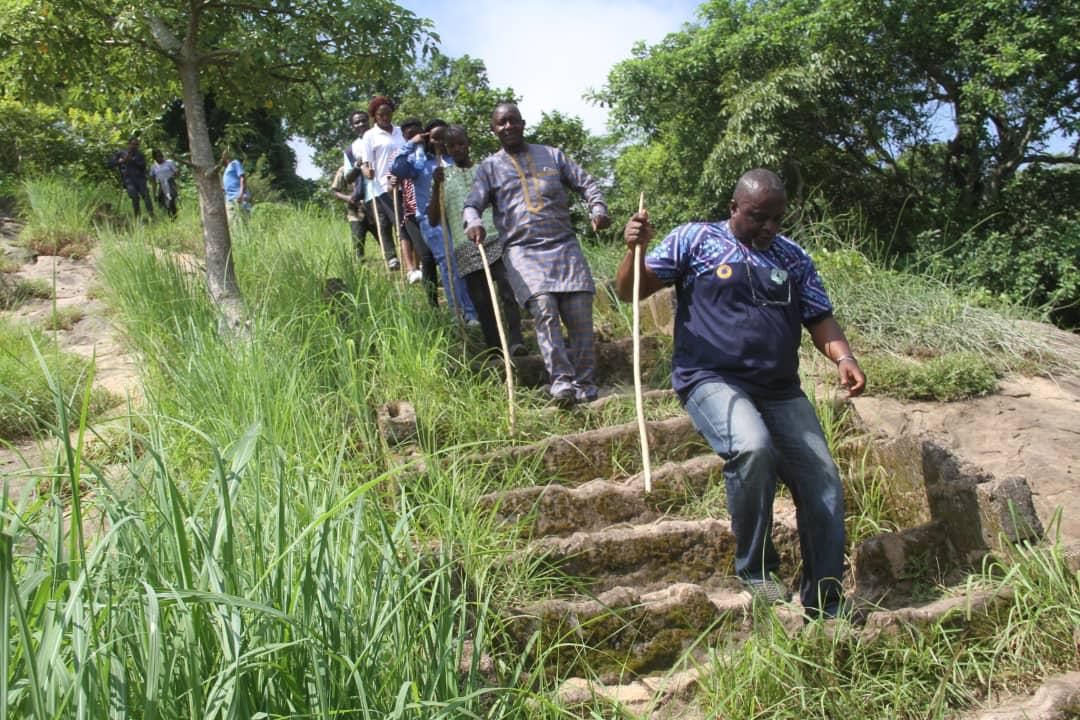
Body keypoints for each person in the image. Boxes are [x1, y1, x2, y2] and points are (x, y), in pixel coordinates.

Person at [615, 168, 867, 620]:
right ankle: (757, 571)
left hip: (779, 389)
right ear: (734, 209)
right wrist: (635, 249)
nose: (768, 227)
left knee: (823, 480)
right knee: (752, 448)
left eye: (776, 219)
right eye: (757, 217)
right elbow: (631, 289)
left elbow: (819, 316)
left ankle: (826, 601)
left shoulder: (793, 257)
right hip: (710, 378)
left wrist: (843, 357)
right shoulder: (694, 240)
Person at [465, 103, 611, 406]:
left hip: (564, 246)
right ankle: (561, 381)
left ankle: (585, 383)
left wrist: (598, 208)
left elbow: (587, 182)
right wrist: (475, 222)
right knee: (544, 308)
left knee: (580, 312)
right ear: (494, 130)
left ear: (523, 124)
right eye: (501, 123)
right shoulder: (490, 167)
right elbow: (471, 205)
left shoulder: (552, 155)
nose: (508, 127)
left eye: (512, 121)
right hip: (523, 251)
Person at [430, 125, 526, 355]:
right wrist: (435, 186)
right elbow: (434, 219)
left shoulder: (485, 170)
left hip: (495, 238)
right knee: (482, 302)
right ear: (446, 149)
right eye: (452, 146)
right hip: (466, 247)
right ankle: (494, 348)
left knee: (507, 290)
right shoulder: (443, 177)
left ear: (468, 142)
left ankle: (516, 341)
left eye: (461, 143)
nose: (458, 149)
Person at [391, 119, 478, 320]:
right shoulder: (418, 162)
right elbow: (397, 168)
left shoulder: (454, 158)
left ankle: (474, 309)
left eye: (443, 137)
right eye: (434, 138)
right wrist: (412, 143)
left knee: (467, 262)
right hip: (433, 222)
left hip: (459, 217)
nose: (439, 142)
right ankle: (461, 313)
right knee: (449, 265)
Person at [357, 95, 406, 270]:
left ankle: (410, 260)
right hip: (380, 187)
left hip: (402, 183)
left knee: (402, 222)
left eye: (388, 113)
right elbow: (365, 163)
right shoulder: (370, 136)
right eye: (380, 115)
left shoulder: (400, 132)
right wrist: (366, 170)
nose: (385, 117)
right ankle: (392, 257)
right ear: (374, 116)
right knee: (384, 223)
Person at [397, 117, 438, 292]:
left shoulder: (432, 152)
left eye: (417, 132)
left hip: (434, 209)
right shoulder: (403, 154)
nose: (416, 137)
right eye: (410, 135)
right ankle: (432, 301)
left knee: (437, 255)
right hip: (412, 211)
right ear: (405, 137)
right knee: (425, 255)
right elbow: (397, 169)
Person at [339, 110, 378, 259]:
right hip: (361, 204)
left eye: (363, 120)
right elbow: (348, 178)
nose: (361, 124)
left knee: (387, 239)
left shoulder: (380, 139)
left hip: (381, 197)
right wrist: (358, 166)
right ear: (352, 126)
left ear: (369, 121)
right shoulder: (351, 150)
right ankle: (359, 276)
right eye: (357, 122)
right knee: (358, 245)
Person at [117, 137, 154, 219]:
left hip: (140, 179)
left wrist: (132, 161)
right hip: (129, 180)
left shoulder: (140, 155)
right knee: (134, 197)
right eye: (133, 144)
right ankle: (137, 217)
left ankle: (151, 215)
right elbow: (112, 163)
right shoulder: (122, 154)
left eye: (136, 144)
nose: (134, 146)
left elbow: (143, 166)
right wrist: (121, 161)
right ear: (129, 144)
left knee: (146, 196)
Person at [221, 148, 250, 220]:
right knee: (232, 221)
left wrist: (241, 194)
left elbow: (242, 178)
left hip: (238, 196)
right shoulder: (227, 168)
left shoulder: (235, 163)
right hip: (229, 198)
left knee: (242, 220)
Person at [150, 149, 179, 217]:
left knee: (170, 198)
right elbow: (153, 182)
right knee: (163, 202)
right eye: (157, 156)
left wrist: (175, 175)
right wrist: (154, 193)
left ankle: (174, 214)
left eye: (160, 156)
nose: (160, 158)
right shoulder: (153, 167)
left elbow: (177, 173)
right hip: (161, 184)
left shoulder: (169, 162)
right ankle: (170, 216)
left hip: (170, 182)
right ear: (155, 158)